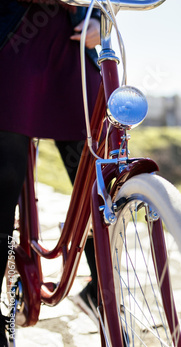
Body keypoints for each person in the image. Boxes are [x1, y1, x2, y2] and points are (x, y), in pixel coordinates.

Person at [0, 0, 101, 344]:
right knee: (5, 177)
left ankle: (102, 290)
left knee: (95, 173)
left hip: (70, 48)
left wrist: (97, 20)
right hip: (15, 38)